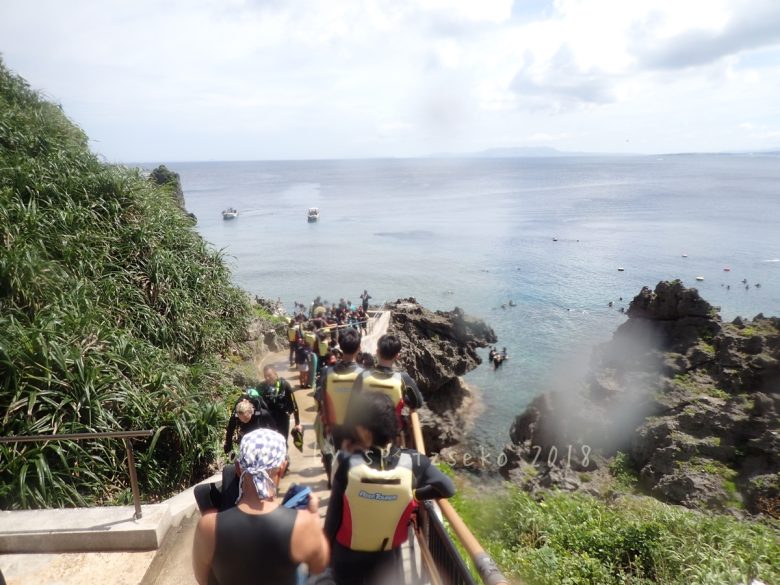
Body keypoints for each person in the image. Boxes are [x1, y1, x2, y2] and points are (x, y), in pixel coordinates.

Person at [325, 393, 455, 585]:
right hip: (386, 559)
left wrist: (325, 555)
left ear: (364, 430)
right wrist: (415, 495)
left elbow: (333, 517)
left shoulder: (348, 463)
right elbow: (447, 488)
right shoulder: (413, 461)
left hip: (346, 557)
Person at [193, 429, 329, 585]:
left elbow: (202, 579)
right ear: (282, 468)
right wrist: (314, 517)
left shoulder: (208, 527)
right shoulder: (304, 524)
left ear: (238, 469)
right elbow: (320, 568)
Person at [352, 333, 424, 438]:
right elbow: (417, 403)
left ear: (377, 352)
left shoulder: (363, 376)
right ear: (397, 356)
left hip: (365, 431)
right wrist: (404, 399)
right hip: (391, 432)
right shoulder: (403, 378)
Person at [317, 327, 363, 480]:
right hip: (358, 428)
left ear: (340, 347)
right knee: (357, 463)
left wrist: (326, 425)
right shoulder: (364, 375)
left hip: (336, 427)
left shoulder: (327, 373)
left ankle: (342, 491)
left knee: (341, 458)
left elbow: (323, 400)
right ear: (359, 348)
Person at [258, 366, 300, 444]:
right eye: (265, 376)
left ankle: (285, 454)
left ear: (275, 374)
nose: (267, 378)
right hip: (269, 418)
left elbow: (293, 403)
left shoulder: (284, 385)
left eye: (269, 375)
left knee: (283, 440)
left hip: (283, 417)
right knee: (271, 441)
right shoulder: (261, 387)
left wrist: (297, 423)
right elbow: (255, 400)